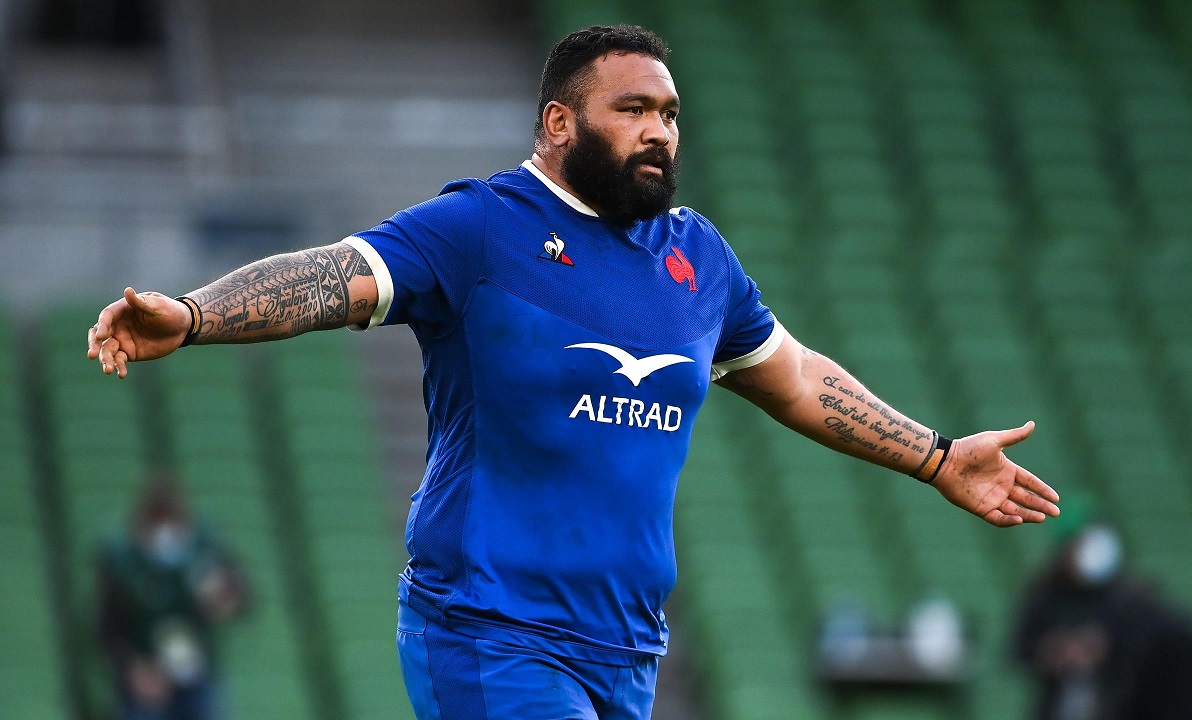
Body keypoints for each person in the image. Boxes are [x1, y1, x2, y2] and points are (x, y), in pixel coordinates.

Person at [87, 25, 1059, 720]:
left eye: (669, 114)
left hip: (626, 645)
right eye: (632, 109)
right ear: (558, 122)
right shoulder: (480, 228)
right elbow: (334, 277)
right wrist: (196, 315)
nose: (659, 131)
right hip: (489, 627)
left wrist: (937, 457)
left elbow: (797, 378)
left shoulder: (698, 259)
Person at [1014, 503, 1192, 720]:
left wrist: (1104, 647)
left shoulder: (1133, 602)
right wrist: (1055, 651)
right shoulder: (1046, 597)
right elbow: (1024, 647)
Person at [98, 475, 246, 720]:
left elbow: (240, 599)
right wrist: (133, 669)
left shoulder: (204, 549)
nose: (165, 532)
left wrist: (224, 599)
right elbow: (107, 627)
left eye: (171, 519)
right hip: (145, 675)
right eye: (157, 520)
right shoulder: (119, 560)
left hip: (195, 673)